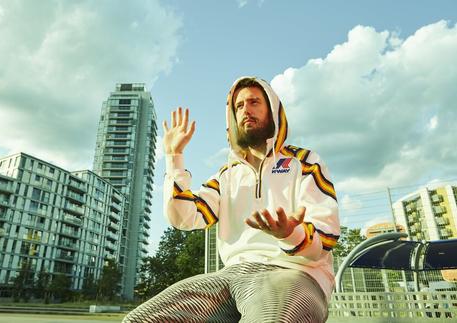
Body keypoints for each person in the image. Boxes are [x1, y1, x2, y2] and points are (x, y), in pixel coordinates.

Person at [123, 76, 340, 322]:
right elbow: (185, 218)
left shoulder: (305, 162)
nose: (246, 110)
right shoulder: (226, 175)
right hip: (231, 274)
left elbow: (326, 238)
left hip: (295, 271)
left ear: (273, 111)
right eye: (239, 106)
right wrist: (174, 156)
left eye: (254, 102)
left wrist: (290, 233)